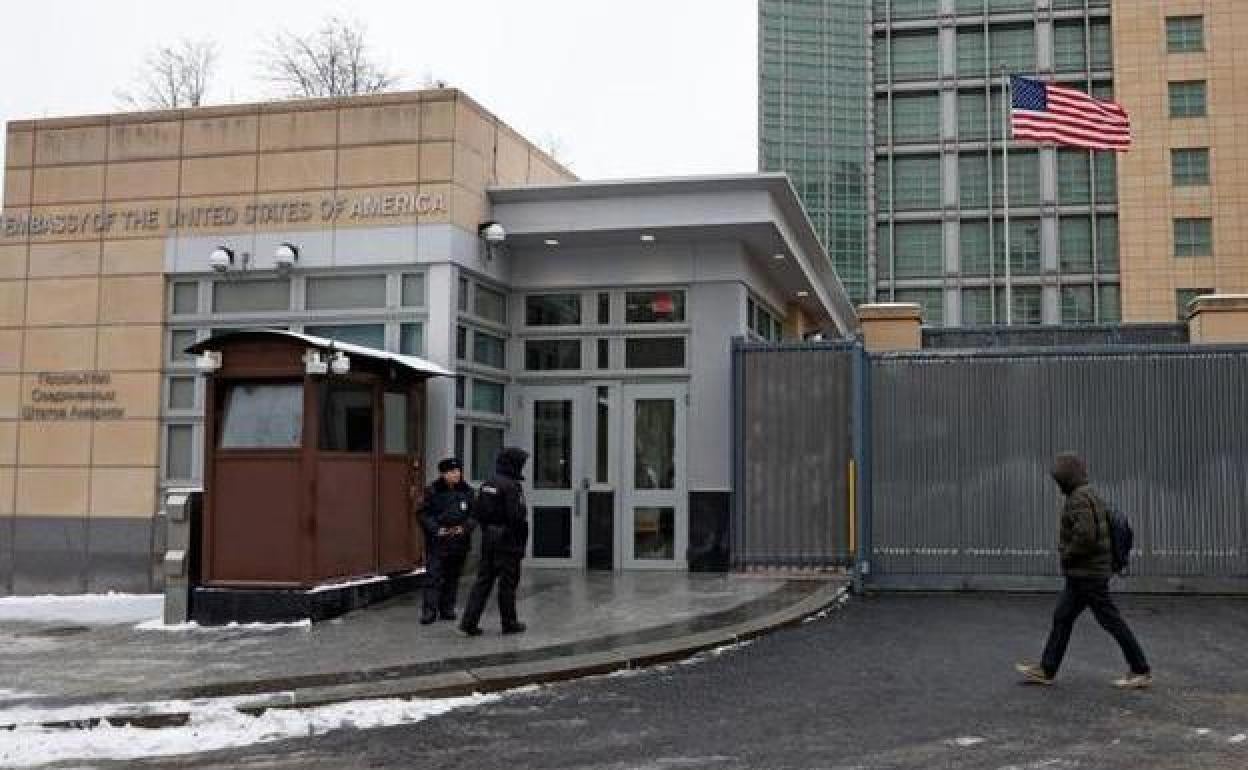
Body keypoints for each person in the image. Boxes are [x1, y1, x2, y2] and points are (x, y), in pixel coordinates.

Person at [1016, 452, 1152, 688]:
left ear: (1067, 478)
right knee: (1063, 617)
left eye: (1059, 478)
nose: (1057, 482)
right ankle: (1047, 670)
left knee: (1111, 621)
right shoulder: (1086, 493)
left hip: (1089, 575)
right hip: (1084, 574)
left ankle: (1141, 670)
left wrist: (1066, 552)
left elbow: (1086, 536)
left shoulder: (1078, 499)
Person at [459, 447, 530, 636]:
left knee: (483, 582)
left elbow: (478, 512)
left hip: (489, 539)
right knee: (508, 585)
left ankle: (468, 622)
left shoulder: (487, 483)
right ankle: (509, 623)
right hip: (508, 541)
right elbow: (516, 516)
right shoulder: (512, 486)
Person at [419, 458, 475, 625]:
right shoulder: (433, 490)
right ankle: (429, 611)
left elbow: (474, 514)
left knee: (453, 576)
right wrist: (436, 529)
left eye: (458, 471)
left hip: (459, 540)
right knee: (433, 576)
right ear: (443, 474)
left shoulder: (467, 491)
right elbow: (423, 514)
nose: (456, 474)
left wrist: (465, 528)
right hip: (438, 540)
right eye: (452, 472)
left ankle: (447, 608)